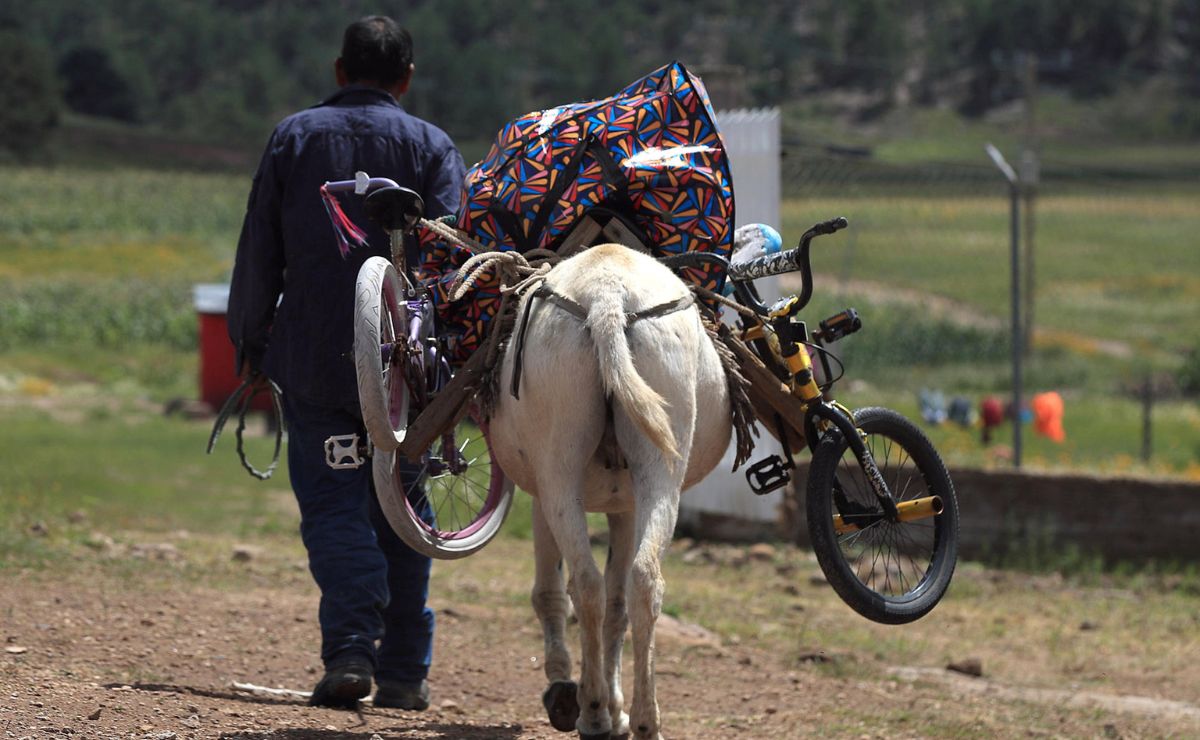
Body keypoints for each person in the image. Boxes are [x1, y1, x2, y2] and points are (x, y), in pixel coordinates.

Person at [227, 15, 465, 710]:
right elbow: (452, 260)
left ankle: (352, 651)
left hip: (314, 359)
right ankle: (403, 672)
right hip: (406, 369)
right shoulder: (432, 144)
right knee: (404, 504)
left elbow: (258, 248)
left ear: (339, 70)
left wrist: (249, 340)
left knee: (334, 502)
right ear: (407, 77)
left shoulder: (294, 138)